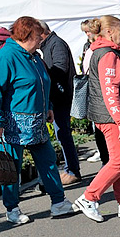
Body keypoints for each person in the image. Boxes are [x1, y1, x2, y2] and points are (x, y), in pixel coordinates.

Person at [0, 16, 75, 225]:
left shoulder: (33, 56)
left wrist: (48, 106)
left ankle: (58, 202)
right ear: (26, 36)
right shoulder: (6, 56)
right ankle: (12, 209)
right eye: (37, 36)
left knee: (48, 161)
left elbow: (43, 83)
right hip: (12, 123)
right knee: (11, 169)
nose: (41, 39)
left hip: (36, 122)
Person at [73, 15, 120, 222]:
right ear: (109, 31)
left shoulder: (106, 51)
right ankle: (89, 198)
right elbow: (109, 90)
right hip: (113, 117)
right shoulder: (108, 54)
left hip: (113, 115)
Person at [38, 21, 81, 185]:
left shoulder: (56, 44)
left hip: (61, 97)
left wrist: (43, 75)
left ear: (42, 32)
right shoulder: (51, 44)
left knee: (63, 133)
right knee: (61, 133)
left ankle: (73, 170)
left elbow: (60, 68)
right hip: (58, 96)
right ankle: (71, 168)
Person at [80, 19, 109, 165]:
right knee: (101, 129)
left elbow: (85, 70)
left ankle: (106, 160)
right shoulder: (95, 49)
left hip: (96, 93)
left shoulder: (92, 49)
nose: (86, 34)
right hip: (99, 93)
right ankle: (106, 160)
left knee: (100, 128)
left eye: (87, 31)